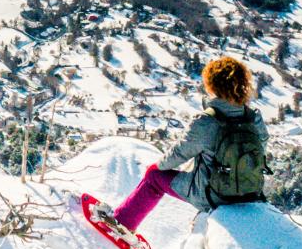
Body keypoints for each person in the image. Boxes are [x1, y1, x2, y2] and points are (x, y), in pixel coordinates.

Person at [94, 56, 269, 238]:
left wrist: (157, 166)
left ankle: (123, 223)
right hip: (250, 192)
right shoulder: (253, 117)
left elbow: (180, 153)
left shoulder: (208, 120)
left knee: (154, 177)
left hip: (212, 195)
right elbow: (261, 150)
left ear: (212, 85)